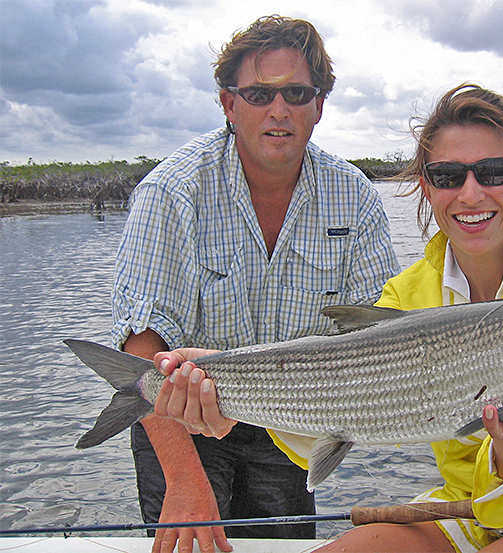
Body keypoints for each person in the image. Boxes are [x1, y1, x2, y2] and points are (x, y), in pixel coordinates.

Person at [155, 84, 503, 552]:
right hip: (468, 501)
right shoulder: (406, 294)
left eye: (494, 173)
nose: (470, 194)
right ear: (426, 187)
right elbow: (337, 411)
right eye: (448, 176)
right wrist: (227, 386)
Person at [111, 15, 399, 553]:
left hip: (292, 421)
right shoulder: (172, 191)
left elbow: (379, 336)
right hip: (182, 419)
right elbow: (143, 344)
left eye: (296, 92)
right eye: (259, 93)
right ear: (228, 104)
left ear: (318, 105)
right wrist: (185, 482)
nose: (279, 109)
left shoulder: (354, 195)